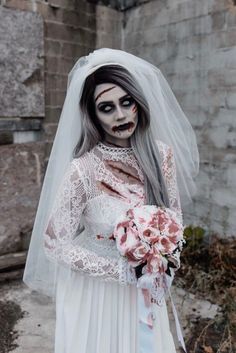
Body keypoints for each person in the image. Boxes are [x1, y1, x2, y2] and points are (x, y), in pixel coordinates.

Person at [23, 48, 199, 353]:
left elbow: (174, 219)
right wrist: (119, 270)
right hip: (97, 293)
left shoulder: (161, 157)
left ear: (137, 103)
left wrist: (165, 262)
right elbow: (53, 242)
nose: (119, 114)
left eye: (126, 102)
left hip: (146, 287)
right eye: (106, 107)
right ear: (93, 116)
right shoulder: (84, 170)